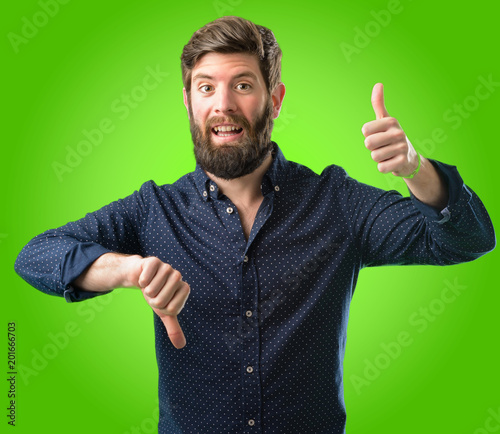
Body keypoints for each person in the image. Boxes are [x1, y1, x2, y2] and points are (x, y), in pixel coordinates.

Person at [15, 15, 495, 434]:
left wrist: (416, 169)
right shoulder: (153, 211)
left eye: (242, 84)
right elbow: (35, 255)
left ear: (275, 98)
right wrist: (125, 270)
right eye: (206, 87)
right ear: (188, 102)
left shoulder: (337, 202)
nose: (222, 104)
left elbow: (468, 238)